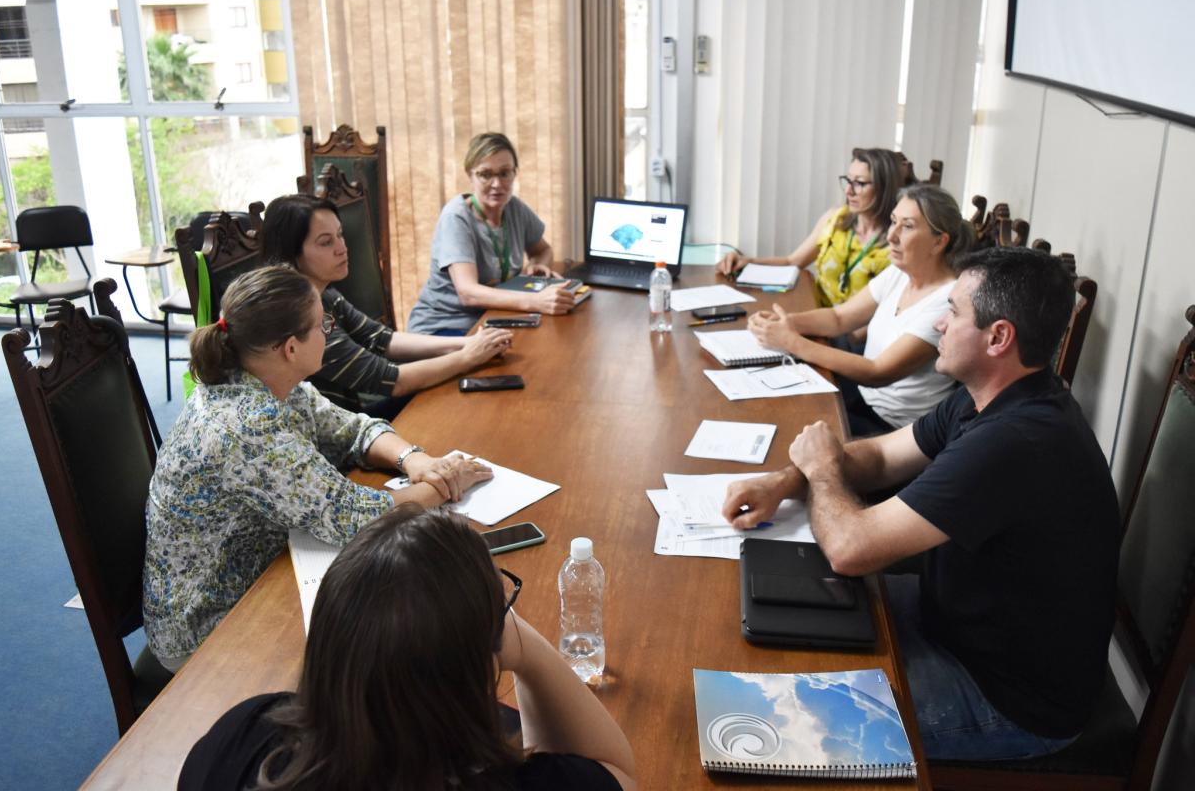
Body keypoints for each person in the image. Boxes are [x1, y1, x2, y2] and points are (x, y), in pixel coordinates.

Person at [721, 247, 1120, 761]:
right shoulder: (991, 392)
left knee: (766, 730)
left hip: (1003, 698)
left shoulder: (1017, 441)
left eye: (953, 312)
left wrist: (820, 469)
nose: (937, 321)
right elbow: (884, 457)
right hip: (950, 622)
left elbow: (849, 547)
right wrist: (785, 480)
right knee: (758, 622)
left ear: (998, 338)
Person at [144, 266, 491, 672]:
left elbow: (350, 429)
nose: (329, 330)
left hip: (261, 570)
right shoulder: (247, 426)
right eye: (322, 324)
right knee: (400, 638)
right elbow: (357, 518)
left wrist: (415, 460)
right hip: (207, 626)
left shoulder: (267, 379)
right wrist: (447, 482)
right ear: (291, 347)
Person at [178, 504, 637, 791]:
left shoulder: (242, 735)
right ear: (476, 671)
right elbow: (614, 771)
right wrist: (527, 648)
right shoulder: (501, 782)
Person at [748, 184, 973, 435]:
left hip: (891, 426)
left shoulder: (946, 301)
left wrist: (792, 341)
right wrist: (786, 323)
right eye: (893, 222)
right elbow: (839, 317)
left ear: (939, 242)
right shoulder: (900, 272)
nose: (891, 236)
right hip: (861, 397)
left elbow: (877, 372)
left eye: (907, 226)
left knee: (785, 423)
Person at [263, 194, 513, 418]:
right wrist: (468, 356)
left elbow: (382, 339)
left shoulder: (323, 293)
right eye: (326, 242)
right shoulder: (299, 316)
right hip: (338, 434)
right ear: (292, 255)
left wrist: (469, 343)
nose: (342, 248)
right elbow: (390, 380)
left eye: (340, 234)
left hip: (351, 418)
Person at [408, 132, 575, 334]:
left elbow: (543, 249)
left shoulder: (514, 208)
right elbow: (468, 293)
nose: (497, 184)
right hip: (445, 326)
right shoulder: (456, 218)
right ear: (470, 174)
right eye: (486, 174)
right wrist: (537, 300)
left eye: (504, 173)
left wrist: (537, 264)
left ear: (515, 173)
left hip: (493, 318)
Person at [715, 147, 905, 308]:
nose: (848, 191)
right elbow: (793, 261)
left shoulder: (897, 243)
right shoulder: (835, 219)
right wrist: (748, 261)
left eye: (860, 183)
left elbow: (889, 310)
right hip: (818, 317)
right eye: (848, 181)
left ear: (883, 188)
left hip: (853, 335)